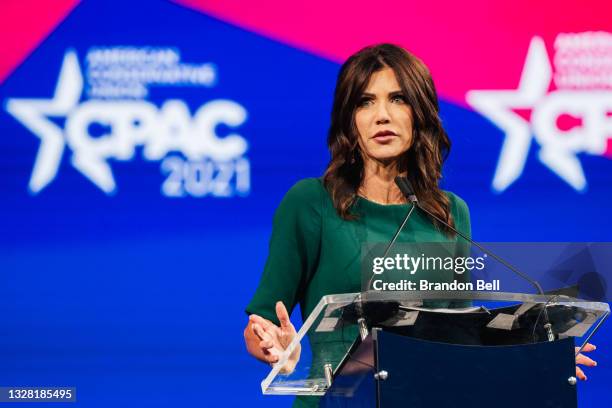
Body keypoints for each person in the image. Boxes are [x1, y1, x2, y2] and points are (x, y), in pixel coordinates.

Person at [243, 44, 597, 407]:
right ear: (350, 119)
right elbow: (264, 322)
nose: (381, 115)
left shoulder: (449, 213)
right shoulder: (311, 203)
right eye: (365, 102)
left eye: (398, 99)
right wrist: (273, 346)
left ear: (419, 112)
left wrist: (539, 353)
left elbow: (461, 331)